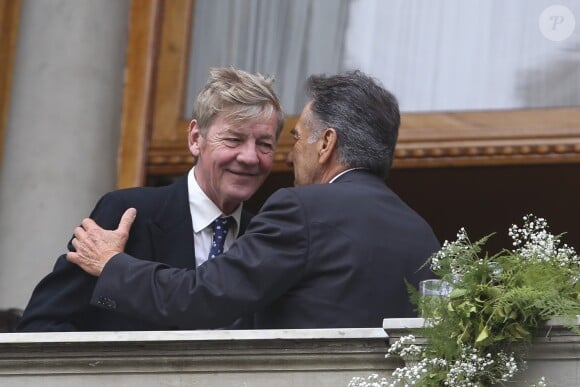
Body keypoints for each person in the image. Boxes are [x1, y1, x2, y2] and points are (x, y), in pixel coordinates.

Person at [67, 70, 440, 329]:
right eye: (233, 140)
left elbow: (201, 297)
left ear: (326, 143)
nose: (289, 157)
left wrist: (114, 265)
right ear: (196, 138)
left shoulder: (301, 210)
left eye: (292, 140)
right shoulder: (422, 234)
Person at [16, 67, 285, 331]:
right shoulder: (128, 215)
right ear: (195, 138)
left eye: (265, 144)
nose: (250, 157)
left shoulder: (264, 236)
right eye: (233, 139)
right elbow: (41, 326)